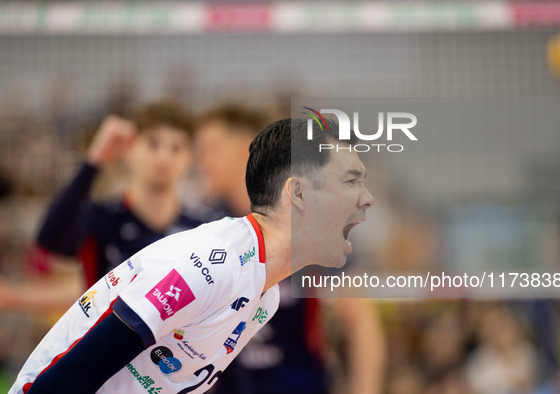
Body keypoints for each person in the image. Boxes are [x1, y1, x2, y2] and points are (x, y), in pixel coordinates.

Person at [9, 117, 374, 394]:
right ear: (298, 195)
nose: (365, 199)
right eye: (349, 182)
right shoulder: (212, 263)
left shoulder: (267, 294)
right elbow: (67, 378)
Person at [195, 104, 385, 394]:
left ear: (245, 148)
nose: (202, 161)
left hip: (299, 384)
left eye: (212, 148)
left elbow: (360, 323)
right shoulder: (205, 226)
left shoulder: (312, 222)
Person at [35, 100, 210, 289]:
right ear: (129, 150)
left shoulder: (200, 228)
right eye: (153, 144)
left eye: (176, 148)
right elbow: (48, 242)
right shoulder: (102, 219)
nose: (164, 157)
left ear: (189, 158)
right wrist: (94, 160)